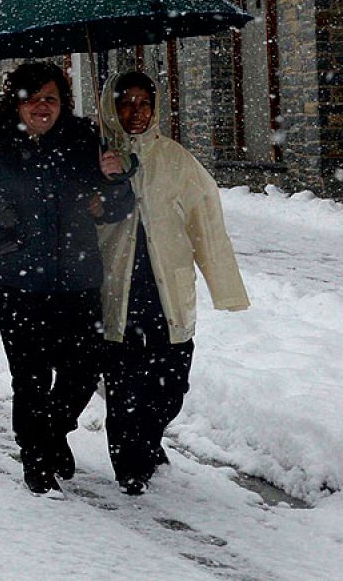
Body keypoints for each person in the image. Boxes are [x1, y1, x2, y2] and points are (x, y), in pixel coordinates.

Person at [0, 61, 132, 495]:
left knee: (83, 371)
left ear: (63, 103)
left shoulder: (82, 141)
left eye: (50, 98)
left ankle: (50, 434)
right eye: (31, 99)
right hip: (14, 281)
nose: (41, 107)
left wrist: (113, 181)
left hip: (77, 279)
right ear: (15, 102)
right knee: (31, 374)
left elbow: (114, 208)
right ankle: (35, 456)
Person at [97, 70, 249, 496]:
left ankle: (147, 439)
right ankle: (131, 466)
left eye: (144, 103)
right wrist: (105, 178)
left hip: (167, 293)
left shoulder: (177, 161)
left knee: (170, 384)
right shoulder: (96, 155)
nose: (136, 112)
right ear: (113, 106)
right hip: (117, 291)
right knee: (125, 386)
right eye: (126, 102)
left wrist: (225, 287)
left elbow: (207, 224)